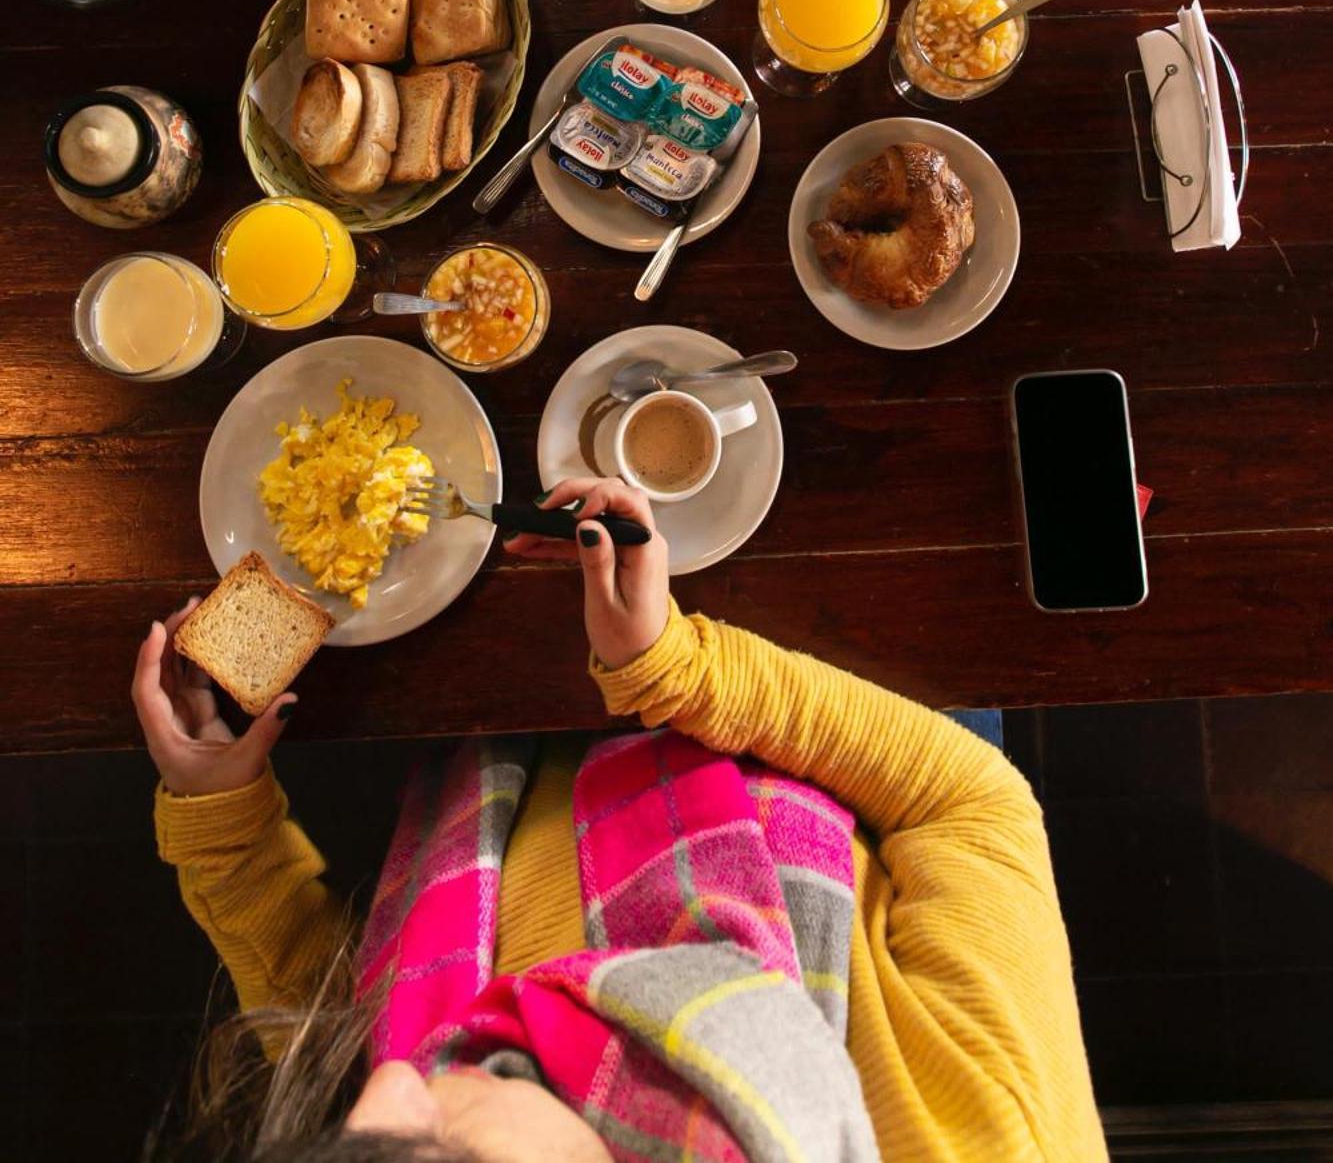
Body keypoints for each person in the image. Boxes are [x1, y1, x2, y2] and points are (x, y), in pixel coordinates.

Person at [135, 477, 1107, 1161]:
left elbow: (324, 1020)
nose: (390, 1085)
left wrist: (221, 809)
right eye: (449, 1148)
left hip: (492, 756)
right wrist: (670, 669)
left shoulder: (390, 1103)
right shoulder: (985, 1138)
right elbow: (970, 802)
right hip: (809, 726)